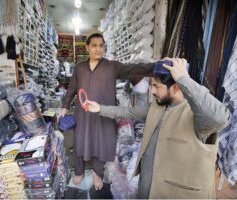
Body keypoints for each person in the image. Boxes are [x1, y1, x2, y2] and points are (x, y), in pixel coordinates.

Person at [87, 58, 230, 198]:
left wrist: (184, 79)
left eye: (157, 86)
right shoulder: (158, 106)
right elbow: (129, 112)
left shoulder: (198, 117)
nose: (152, 91)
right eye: (151, 85)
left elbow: (220, 118)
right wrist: (100, 108)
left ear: (176, 87)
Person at [58, 33, 155, 190]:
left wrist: (156, 67)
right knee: (80, 141)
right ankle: (79, 171)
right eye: (94, 45)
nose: (98, 49)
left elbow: (134, 68)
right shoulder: (80, 67)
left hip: (103, 113)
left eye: (101, 45)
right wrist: (64, 106)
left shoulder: (112, 66)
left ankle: (97, 172)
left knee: (100, 142)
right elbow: (72, 89)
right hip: (83, 113)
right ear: (87, 47)